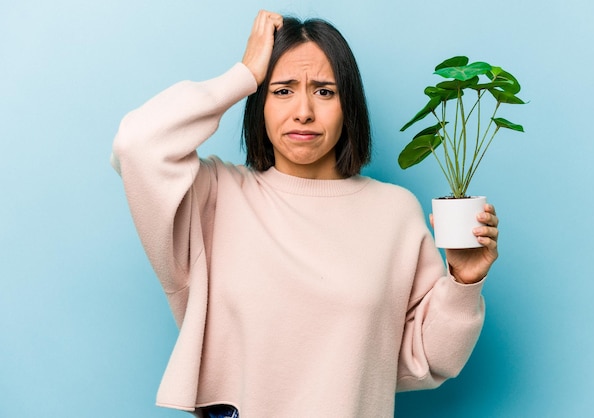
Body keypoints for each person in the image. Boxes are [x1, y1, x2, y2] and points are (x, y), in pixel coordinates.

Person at [111, 10, 499, 418]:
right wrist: (242, 75)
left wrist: (463, 283)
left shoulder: (394, 211)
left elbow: (426, 359)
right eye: (282, 91)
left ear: (349, 105)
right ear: (258, 103)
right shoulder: (213, 196)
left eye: (325, 91)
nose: (304, 112)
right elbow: (137, 144)